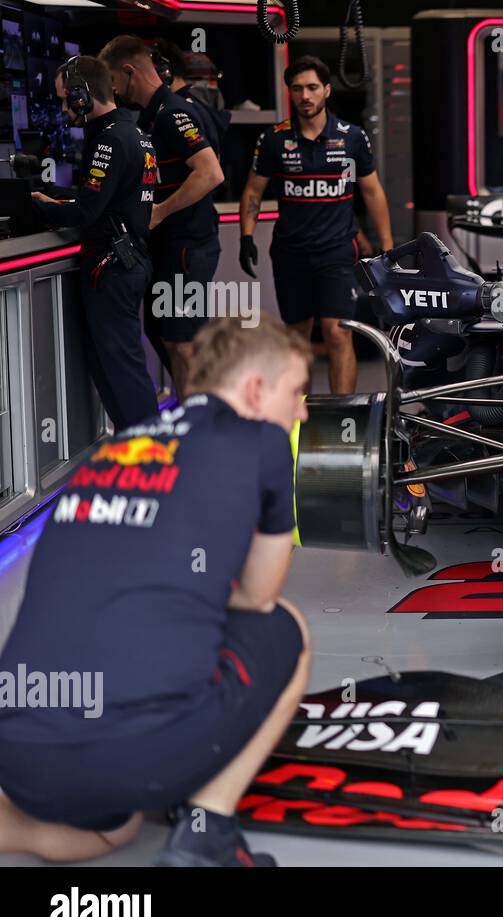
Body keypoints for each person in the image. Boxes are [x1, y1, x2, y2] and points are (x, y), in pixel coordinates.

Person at [0, 318, 312, 867]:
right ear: (257, 390)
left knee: (114, 833)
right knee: (288, 626)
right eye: (298, 392)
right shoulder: (262, 440)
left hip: (19, 757)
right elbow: (260, 597)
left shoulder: (116, 447)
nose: (304, 412)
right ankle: (206, 830)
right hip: (138, 757)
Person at [240, 55, 395, 394]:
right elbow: (253, 189)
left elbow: (372, 191)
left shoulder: (352, 136)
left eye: (312, 87)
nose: (305, 96)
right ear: (290, 93)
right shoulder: (273, 139)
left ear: (326, 90)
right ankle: (303, 421)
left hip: (336, 252)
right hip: (289, 253)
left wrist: (386, 245)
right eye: (297, 89)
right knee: (297, 340)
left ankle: (344, 423)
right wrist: (246, 237)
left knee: (338, 333)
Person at [30, 56, 158, 430]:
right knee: (112, 367)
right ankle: (139, 457)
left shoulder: (109, 140)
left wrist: (38, 205)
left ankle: (155, 464)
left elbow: (86, 212)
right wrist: (54, 193)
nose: (62, 108)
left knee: (123, 371)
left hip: (114, 266)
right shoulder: (131, 132)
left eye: (64, 99)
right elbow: (102, 196)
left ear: (82, 95)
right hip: (126, 261)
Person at [100, 35, 225, 397]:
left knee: (183, 342)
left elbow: (211, 173)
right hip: (171, 246)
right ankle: (195, 424)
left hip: (187, 244)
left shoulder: (173, 112)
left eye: (113, 80)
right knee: (167, 337)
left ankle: (201, 434)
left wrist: (158, 212)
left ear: (129, 71)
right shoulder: (152, 115)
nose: (113, 89)